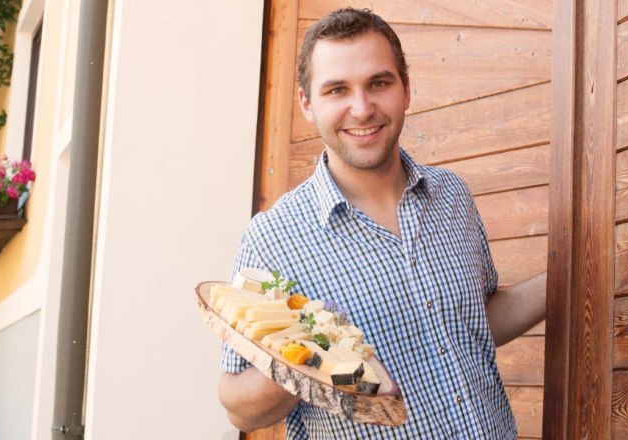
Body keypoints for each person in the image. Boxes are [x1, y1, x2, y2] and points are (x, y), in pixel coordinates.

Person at [218, 8, 546, 439]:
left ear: (406, 89)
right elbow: (239, 408)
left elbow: (475, 320)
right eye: (337, 89)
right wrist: (309, 356)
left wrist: (573, 276)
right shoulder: (272, 239)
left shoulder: (452, 197)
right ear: (307, 104)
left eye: (378, 83)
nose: (362, 107)